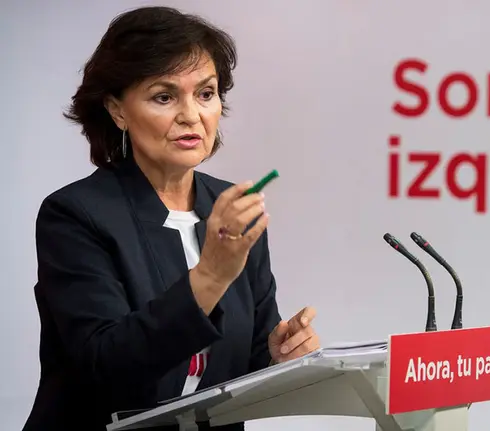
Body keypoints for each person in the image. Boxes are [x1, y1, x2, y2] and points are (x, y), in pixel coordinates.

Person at [22, 6, 320, 431]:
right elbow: (107, 365)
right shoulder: (74, 215)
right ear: (118, 110)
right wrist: (212, 275)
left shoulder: (230, 204)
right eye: (164, 97)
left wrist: (278, 354)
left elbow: (244, 364)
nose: (191, 115)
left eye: (206, 93)